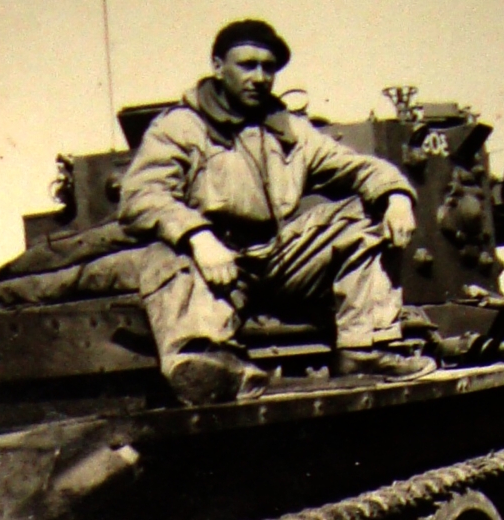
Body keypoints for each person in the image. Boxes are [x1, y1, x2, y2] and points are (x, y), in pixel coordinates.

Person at [118, 19, 436, 405]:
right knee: (166, 253)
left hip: (279, 259)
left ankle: (363, 349)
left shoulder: (288, 131)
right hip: (213, 263)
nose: (259, 77)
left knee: (367, 217)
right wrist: (198, 236)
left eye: (268, 67)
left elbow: (358, 167)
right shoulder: (181, 126)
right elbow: (140, 196)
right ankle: (209, 364)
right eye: (247, 65)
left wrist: (397, 197)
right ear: (218, 66)